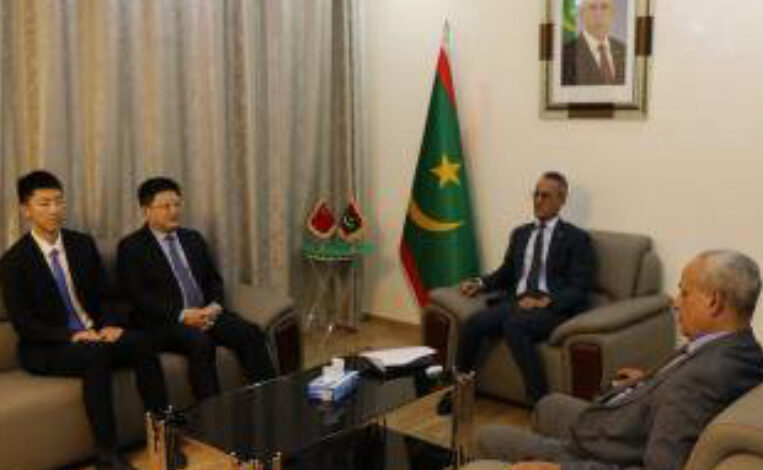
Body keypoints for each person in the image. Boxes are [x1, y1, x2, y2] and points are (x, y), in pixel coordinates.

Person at [475, 250, 763, 470]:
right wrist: (651, 382)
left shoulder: (700, 381)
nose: (676, 302)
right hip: (623, 426)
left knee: (487, 437)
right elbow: (682, 389)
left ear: (713, 301)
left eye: (684, 292)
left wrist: (561, 468)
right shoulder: (743, 349)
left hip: (604, 453)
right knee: (548, 404)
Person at [0, 171, 170, 470]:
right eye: (44, 203)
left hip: (95, 334)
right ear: (26, 210)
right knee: (96, 354)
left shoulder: (81, 244)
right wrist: (71, 336)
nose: (54, 210)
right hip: (48, 346)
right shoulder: (14, 261)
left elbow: (107, 295)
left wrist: (110, 324)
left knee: (142, 342)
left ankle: (163, 437)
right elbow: (24, 322)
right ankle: (107, 454)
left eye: (59, 201)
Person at [439, 171, 595, 414]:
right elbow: (506, 272)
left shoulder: (577, 238)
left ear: (561, 200)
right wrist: (480, 282)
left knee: (515, 325)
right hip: (517, 302)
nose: (538, 200)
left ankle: (541, 403)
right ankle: (461, 389)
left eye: (545, 196)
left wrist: (545, 301)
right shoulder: (521, 234)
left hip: (551, 309)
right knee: (473, 323)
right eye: (536, 194)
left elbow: (580, 286)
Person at [117, 177, 276, 402]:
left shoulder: (192, 238)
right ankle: (212, 413)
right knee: (200, 343)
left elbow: (213, 279)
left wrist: (215, 306)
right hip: (166, 322)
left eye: (177, 204)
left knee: (250, 333)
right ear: (146, 210)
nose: (174, 211)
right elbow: (138, 297)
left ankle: (270, 398)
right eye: (166, 206)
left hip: (205, 313)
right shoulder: (131, 247)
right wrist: (183, 315)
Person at [562, 0, 626, 86]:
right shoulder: (565, 54)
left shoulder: (624, 50)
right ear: (581, 14)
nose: (599, 14)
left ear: (612, 13)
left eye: (604, 7)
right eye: (592, 7)